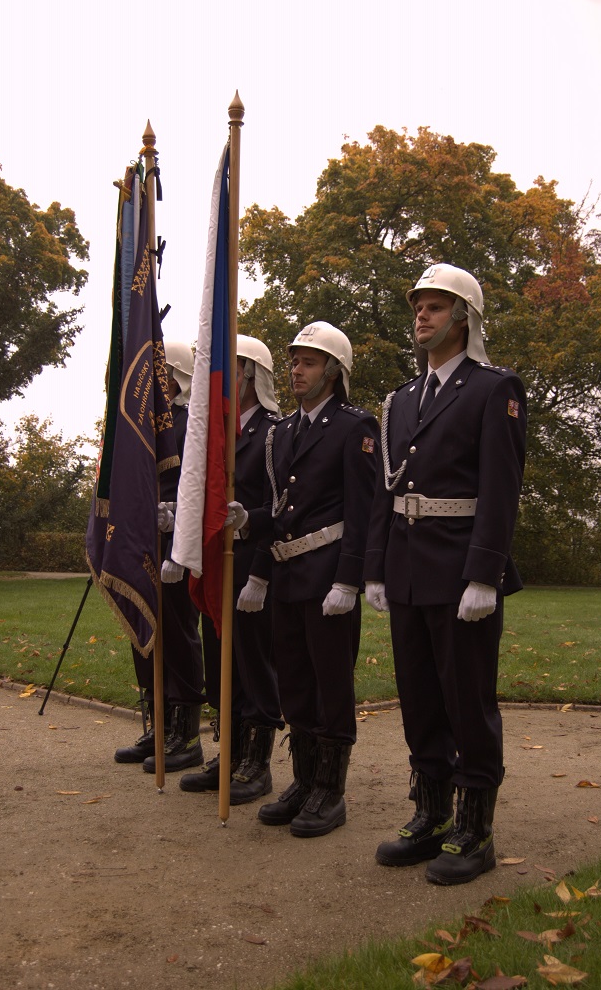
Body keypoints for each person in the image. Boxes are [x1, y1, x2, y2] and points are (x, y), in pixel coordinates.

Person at [364, 263, 527, 885]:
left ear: (463, 317)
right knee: (420, 699)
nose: (421, 316)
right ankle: (430, 813)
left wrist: (484, 574)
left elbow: (501, 488)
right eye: (418, 307)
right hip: (406, 570)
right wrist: (375, 568)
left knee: (468, 699)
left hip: (461, 572)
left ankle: (475, 827)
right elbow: (386, 492)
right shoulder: (400, 400)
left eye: (435, 307)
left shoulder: (494, 388)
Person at [239, 322, 380, 838]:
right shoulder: (282, 432)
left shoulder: (355, 427)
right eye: (294, 361)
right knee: (295, 682)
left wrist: (350, 580)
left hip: (327, 577)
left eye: (309, 362)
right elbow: (281, 511)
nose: (296, 370)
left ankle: (330, 790)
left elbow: (364, 513)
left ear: (334, 371)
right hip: (286, 573)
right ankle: (302, 779)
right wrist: (249, 524)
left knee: (331, 684)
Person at [180, 335, 284, 804]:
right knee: (222, 663)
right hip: (217, 562)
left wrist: (261, 572)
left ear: (251, 376)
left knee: (254, 665)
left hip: (252, 561)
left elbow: (279, 511)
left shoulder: (273, 433)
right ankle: (230, 751)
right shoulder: (213, 434)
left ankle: (256, 763)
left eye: (230, 371)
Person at [114, 340, 205, 772]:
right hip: (141, 542)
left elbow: (196, 489)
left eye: (157, 375)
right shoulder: (142, 426)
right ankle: (158, 722)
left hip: (176, 547)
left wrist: (176, 524)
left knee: (178, 633)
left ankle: (184, 732)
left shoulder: (190, 426)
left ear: (178, 379)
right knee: (143, 632)